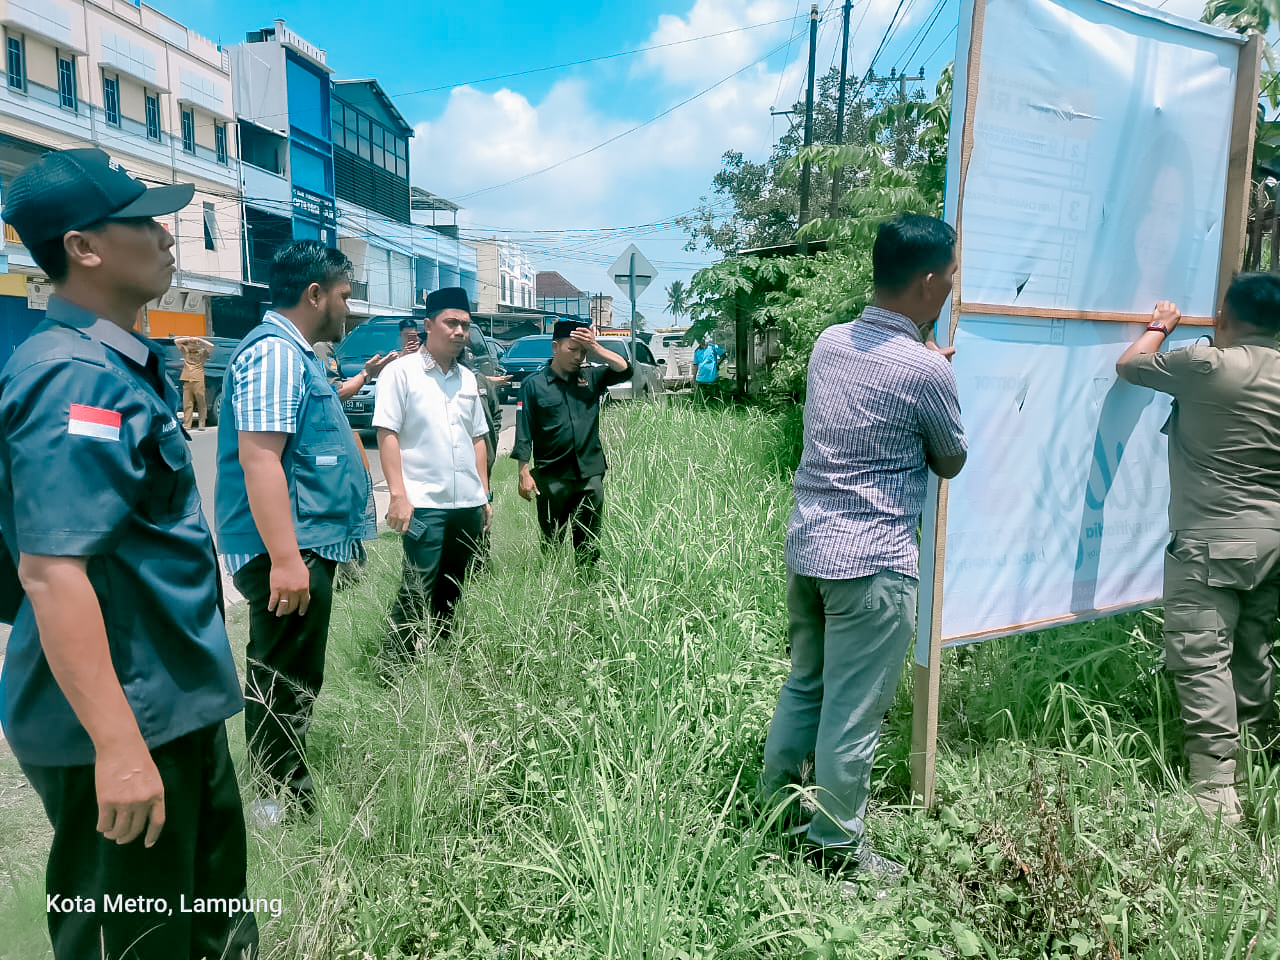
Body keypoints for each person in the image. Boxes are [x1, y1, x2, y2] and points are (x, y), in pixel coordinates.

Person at [0, 148, 257, 957]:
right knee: (139, 942)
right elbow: (51, 569)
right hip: (125, 724)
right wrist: (117, 747)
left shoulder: (116, 363)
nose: (166, 234)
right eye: (144, 220)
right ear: (84, 247)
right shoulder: (74, 378)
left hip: (169, 705)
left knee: (206, 931)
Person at [761, 213, 967, 881]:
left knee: (806, 689)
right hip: (874, 563)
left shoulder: (828, 343)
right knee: (852, 713)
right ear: (931, 283)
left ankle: (777, 816)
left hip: (811, 548)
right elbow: (950, 460)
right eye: (953, 276)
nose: (954, 286)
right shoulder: (926, 372)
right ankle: (836, 848)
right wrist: (933, 368)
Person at [215, 241, 376, 823]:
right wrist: (286, 560)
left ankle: (282, 790)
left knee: (294, 673)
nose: (348, 309)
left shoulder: (297, 355)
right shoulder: (276, 355)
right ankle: (275, 803)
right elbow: (260, 460)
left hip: (302, 542)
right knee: (283, 677)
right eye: (343, 296)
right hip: (289, 548)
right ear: (315, 294)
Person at [1116, 275, 1280, 826]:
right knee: (1253, 653)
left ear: (1226, 318)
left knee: (1202, 657)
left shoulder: (1211, 366)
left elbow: (1131, 366)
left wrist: (1160, 326)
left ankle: (1215, 795)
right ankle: (1258, 767)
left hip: (1212, 541)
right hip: (1272, 544)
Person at [374, 287, 492, 659]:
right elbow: (387, 434)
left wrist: (484, 496)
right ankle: (394, 669)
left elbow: (478, 439)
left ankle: (442, 659)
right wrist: (397, 495)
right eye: (451, 323)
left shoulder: (468, 379)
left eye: (465, 325)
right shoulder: (400, 373)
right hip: (424, 505)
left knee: (454, 588)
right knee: (415, 589)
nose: (459, 331)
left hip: (467, 506)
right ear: (428, 325)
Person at [513, 319, 632, 565]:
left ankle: (587, 591)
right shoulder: (533, 385)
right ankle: (554, 592)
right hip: (551, 478)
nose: (579, 357)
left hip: (589, 476)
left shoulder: (591, 378)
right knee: (552, 546)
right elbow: (524, 430)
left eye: (583, 351)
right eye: (572, 349)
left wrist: (596, 347)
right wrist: (523, 470)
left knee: (588, 545)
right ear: (555, 347)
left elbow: (626, 369)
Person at [174, 334, 214, 429]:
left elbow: (211, 346)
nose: (193, 345)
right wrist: (188, 338)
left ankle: (202, 422)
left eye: (195, 343)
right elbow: (176, 341)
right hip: (187, 378)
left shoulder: (202, 353)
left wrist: (199, 339)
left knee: (201, 402)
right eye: (191, 343)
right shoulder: (186, 352)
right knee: (187, 403)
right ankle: (187, 424)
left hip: (198, 379)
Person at [694, 334, 726, 401]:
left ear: (704, 338)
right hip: (700, 379)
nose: (700, 340)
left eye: (701, 338)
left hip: (712, 378)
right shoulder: (697, 351)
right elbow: (695, 365)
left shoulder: (713, 347)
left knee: (714, 398)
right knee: (702, 399)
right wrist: (694, 378)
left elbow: (723, 355)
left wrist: (717, 365)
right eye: (698, 339)